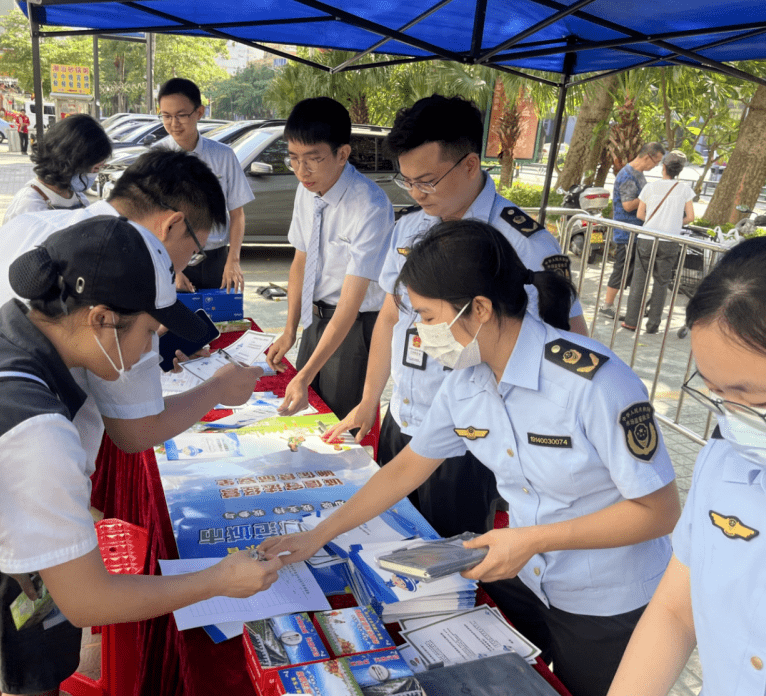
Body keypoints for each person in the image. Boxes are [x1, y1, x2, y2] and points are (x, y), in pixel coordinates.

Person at [262, 219, 680, 696]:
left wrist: (531, 539)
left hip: (606, 603)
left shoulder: (595, 383)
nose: (418, 332)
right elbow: (405, 468)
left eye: (428, 316)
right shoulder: (466, 379)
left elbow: (660, 512)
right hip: (528, 579)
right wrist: (318, 537)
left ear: (479, 309)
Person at [0, 216, 280, 696]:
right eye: (150, 333)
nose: (152, 349)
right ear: (100, 319)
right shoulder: (36, 432)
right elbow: (88, 602)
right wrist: (219, 579)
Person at [325, 94, 587, 539]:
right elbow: (392, 317)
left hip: (471, 440)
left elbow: (571, 343)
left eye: (427, 181)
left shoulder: (525, 244)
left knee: (450, 565)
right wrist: (369, 400)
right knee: (388, 543)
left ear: (469, 164)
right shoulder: (410, 227)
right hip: (403, 419)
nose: (416, 193)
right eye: (407, 181)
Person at [0, 149, 256, 460]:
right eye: (194, 250)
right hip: (47, 463)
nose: (186, 264)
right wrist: (217, 388)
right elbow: (137, 431)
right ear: (172, 225)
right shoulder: (127, 274)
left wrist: (148, 341)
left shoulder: (25, 224)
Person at [607, 236, 766, 696]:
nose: (730, 417)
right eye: (715, 392)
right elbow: (676, 611)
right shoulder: (724, 461)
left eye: (750, 398)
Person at [265, 97, 394, 419]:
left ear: (342, 154)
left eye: (313, 159)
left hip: (355, 327)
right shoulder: (306, 190)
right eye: (293, 158)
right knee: (309, 409)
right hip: (316, 319)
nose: (301, 170)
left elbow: (350, 306)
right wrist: (290, 329)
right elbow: (301, 261)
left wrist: (304, 373)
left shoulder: (370, 207)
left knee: (340, 421)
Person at [157, 77, 254, 293]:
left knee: (219, 322)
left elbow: (237, 214)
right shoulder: (156, 158)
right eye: (166, 116)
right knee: (173, 325)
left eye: (181, 115)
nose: (174, 123)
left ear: (199, 112)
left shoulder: (223, 156)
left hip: (217, 258)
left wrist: (233, 260)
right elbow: (152, 220)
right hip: (171, 258)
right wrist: (174, 270)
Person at [622, 150, 695, 333]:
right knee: (661, 283)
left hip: (647, 238)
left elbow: (640, 214)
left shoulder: (650, 187)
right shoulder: (685, 190)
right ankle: (653, 325)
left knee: (639, 281)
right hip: (670, 241)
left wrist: (655, 222)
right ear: (680, 170)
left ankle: (631, 322)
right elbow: (691, 217)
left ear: (663, 167)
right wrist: (673, 224)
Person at [3, 113, 112, 223]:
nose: (94, 175)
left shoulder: (80, 199)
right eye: (96, 169)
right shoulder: (28, 206)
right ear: (72, 163)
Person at [599, 142, 665, 319]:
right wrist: (651, 195)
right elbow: (628, 205)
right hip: (627, 233)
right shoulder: (628, 175)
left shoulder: (638, 174)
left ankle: (629, 308)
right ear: (647, 156)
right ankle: (607, 306)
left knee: (631, 270)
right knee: (621, 269)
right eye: (656, 161)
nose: (656, 166)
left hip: (635, 232)